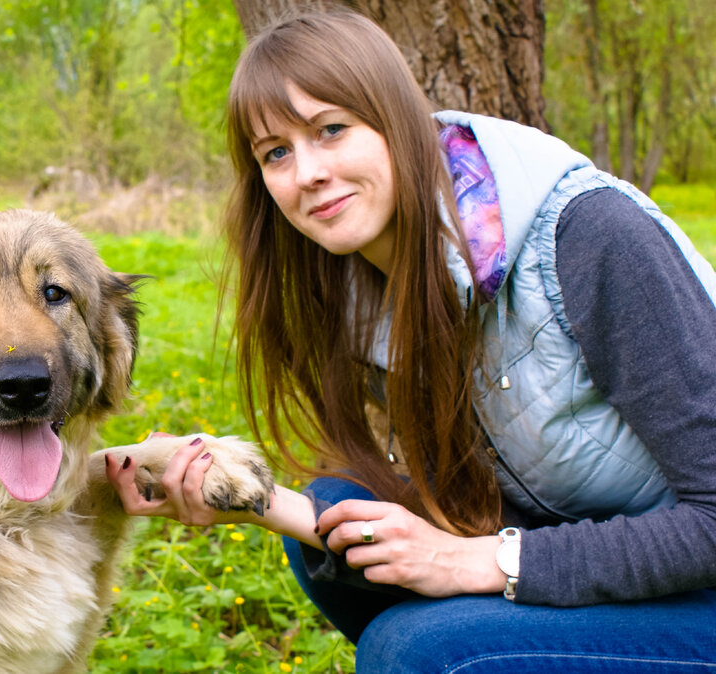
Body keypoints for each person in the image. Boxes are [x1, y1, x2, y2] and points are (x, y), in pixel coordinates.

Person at [105, 9, 716, 672]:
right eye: (275, 152)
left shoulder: (590, 238)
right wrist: (254, 501)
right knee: (334, 519)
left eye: (330, 129)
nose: (306, 172)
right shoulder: (362, 286)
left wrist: (487, 562)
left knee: (417, 649)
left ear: (394, 119)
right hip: (608, 554)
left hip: (698, 579)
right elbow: (481, 502)